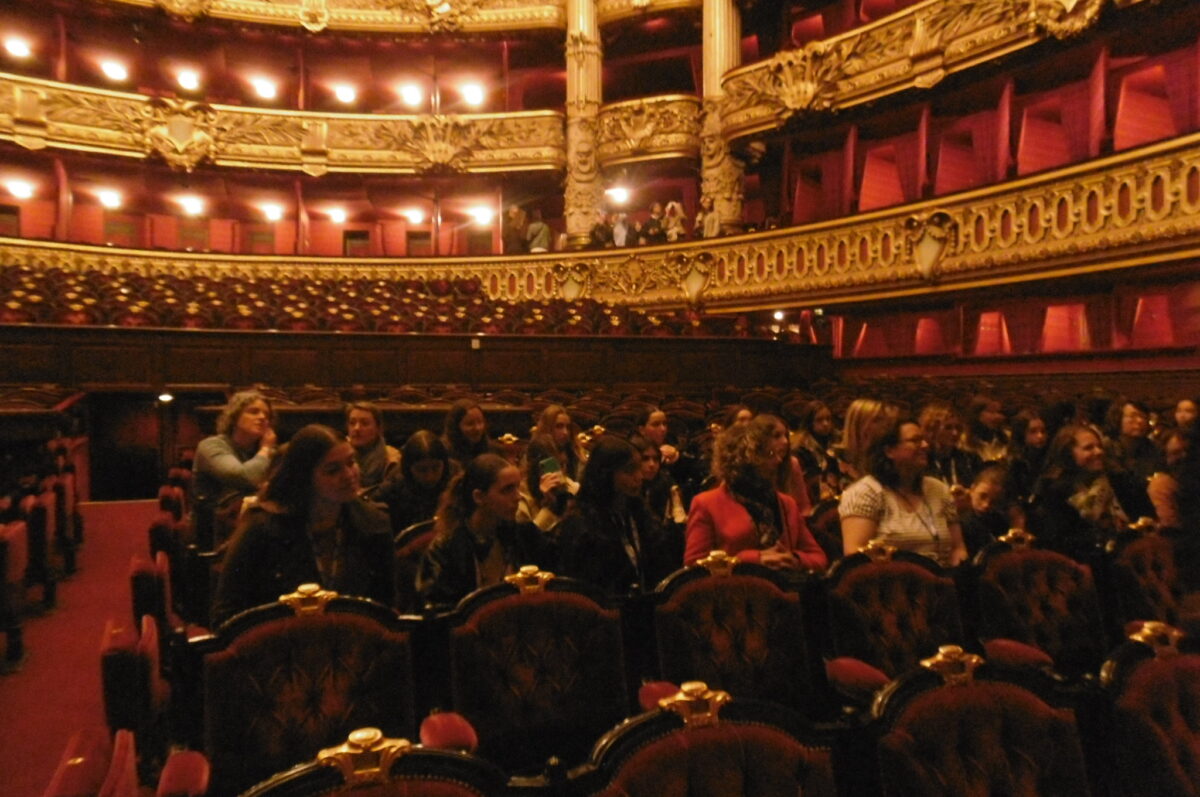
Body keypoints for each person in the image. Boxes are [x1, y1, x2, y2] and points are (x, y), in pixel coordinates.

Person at [211, 424, 394, 625]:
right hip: (277, 646)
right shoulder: (262, 527)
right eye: (332, 470)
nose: (349, 475)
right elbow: (226, 614)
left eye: (351, 462)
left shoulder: (374, 522)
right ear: (305, 477)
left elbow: (387, 608)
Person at [684, 418, 827, 572]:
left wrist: (795, 559)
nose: (779, 461)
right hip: (736, 591)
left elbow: (818, 558)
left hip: (785, 590)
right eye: (769, 454)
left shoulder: (786, 503)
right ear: (744, 460)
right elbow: (694, 566)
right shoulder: (706, 503)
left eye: (779, 454)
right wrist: (750, 559)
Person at [416, 453, 554, 609]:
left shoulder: (525, 534)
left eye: (517, 487)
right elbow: (437, 613)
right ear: (479, 497)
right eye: (507, 490)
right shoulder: (446, 549)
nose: (518, 497)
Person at [839, 417, 968, 567]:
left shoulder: (938, 489)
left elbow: (957, 548)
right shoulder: (865, 493)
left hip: (942, 582)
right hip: (893, 583)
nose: (925, 445)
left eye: (924, 440)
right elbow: (856, 556)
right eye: (915, 441)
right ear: (889, 451)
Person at [1029, 424, 1154, 561]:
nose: (1098, 452)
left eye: (1099, 447)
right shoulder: (1053, 493)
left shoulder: (1120, 481)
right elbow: (1058, 543)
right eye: (1089, 448)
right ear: (1068, 453)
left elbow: (1148, 519)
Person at [558, 437, 664, 595]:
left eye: (638, 469)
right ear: (605, 475)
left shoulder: (637, 511)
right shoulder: (580, 523)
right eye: (629, 471)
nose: (639, 477)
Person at [191, 390, 276, 549]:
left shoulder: (260, 452)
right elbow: (244, 477)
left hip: (245, 527)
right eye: (253, 412)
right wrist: (265, 450)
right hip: (214, 534)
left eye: (267, 414)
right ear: (235, 417)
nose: (263, 417)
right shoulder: (211, 445)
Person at [376, 430, 451, 536]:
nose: (430, 477)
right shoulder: (391, 491)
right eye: (422, 470)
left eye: (436, 468)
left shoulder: (455, 484)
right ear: (408, 468)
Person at [918, 401, 981, 505]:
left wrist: (970, 493)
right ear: (932, 429)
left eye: (958, 428)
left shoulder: (970, 459)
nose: (955, 433)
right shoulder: (922, 459)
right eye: (948, 428)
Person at [517, 434, 577, 534]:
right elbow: (527, 543)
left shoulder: (573, 489)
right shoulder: (521, 496)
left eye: (560, 464)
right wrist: (549, 508)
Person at [345, 401, 400, 494]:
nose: (356, 428)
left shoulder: (391, 458)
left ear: (378, 429)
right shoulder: (339, 456)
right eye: (352, 423)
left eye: (365, 423)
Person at [793, 400, 840, 507]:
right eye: (819, 420)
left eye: (828, 419)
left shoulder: (837, 441)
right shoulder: (801, 448)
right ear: (809, 422)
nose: (826, 424)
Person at [959, 465, 1011, 558]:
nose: (986, 505)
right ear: (972, 489)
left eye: (994, 501)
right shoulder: (960, 523)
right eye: (982, 496)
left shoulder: (1001, 522)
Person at [1104, 400, 1158, 482]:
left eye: (1144, 417)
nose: (1140, 421)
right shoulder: (1107, 447)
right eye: (1133, 416)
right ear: (1118, 419)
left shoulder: (1151, 448)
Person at [532, 404, 585, 480]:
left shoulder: (573, 451)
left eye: (568, 427)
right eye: (559, 426)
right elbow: (558, 483)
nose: (565, 432)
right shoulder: (539, 449)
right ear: (547, 428)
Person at [442, 398, 498, 469]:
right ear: (456, 426)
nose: (477, 428)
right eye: (470, 424)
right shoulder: (445, 451)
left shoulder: (490, 448)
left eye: (480, 422)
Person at [960, 394, 1009, 462]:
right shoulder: (962, 441)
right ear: (976, 414)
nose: (997, 417)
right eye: (991, 412)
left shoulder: (1006, 438)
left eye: (999, 412)